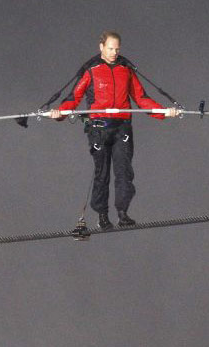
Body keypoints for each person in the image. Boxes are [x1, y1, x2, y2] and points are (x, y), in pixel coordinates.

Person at [50, 31, 178, 230]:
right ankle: (102, 216)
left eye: (117, 49)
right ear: (101, 47)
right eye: (110, 48)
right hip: (99, 129)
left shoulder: (125, 70)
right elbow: (73, 98)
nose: (114, 53)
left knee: (124, 171)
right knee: (102, 173)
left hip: (122, 128)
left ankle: (122, 213)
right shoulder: (91, 70)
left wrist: (164, 112)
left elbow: (141, 98)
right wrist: (59, 113)